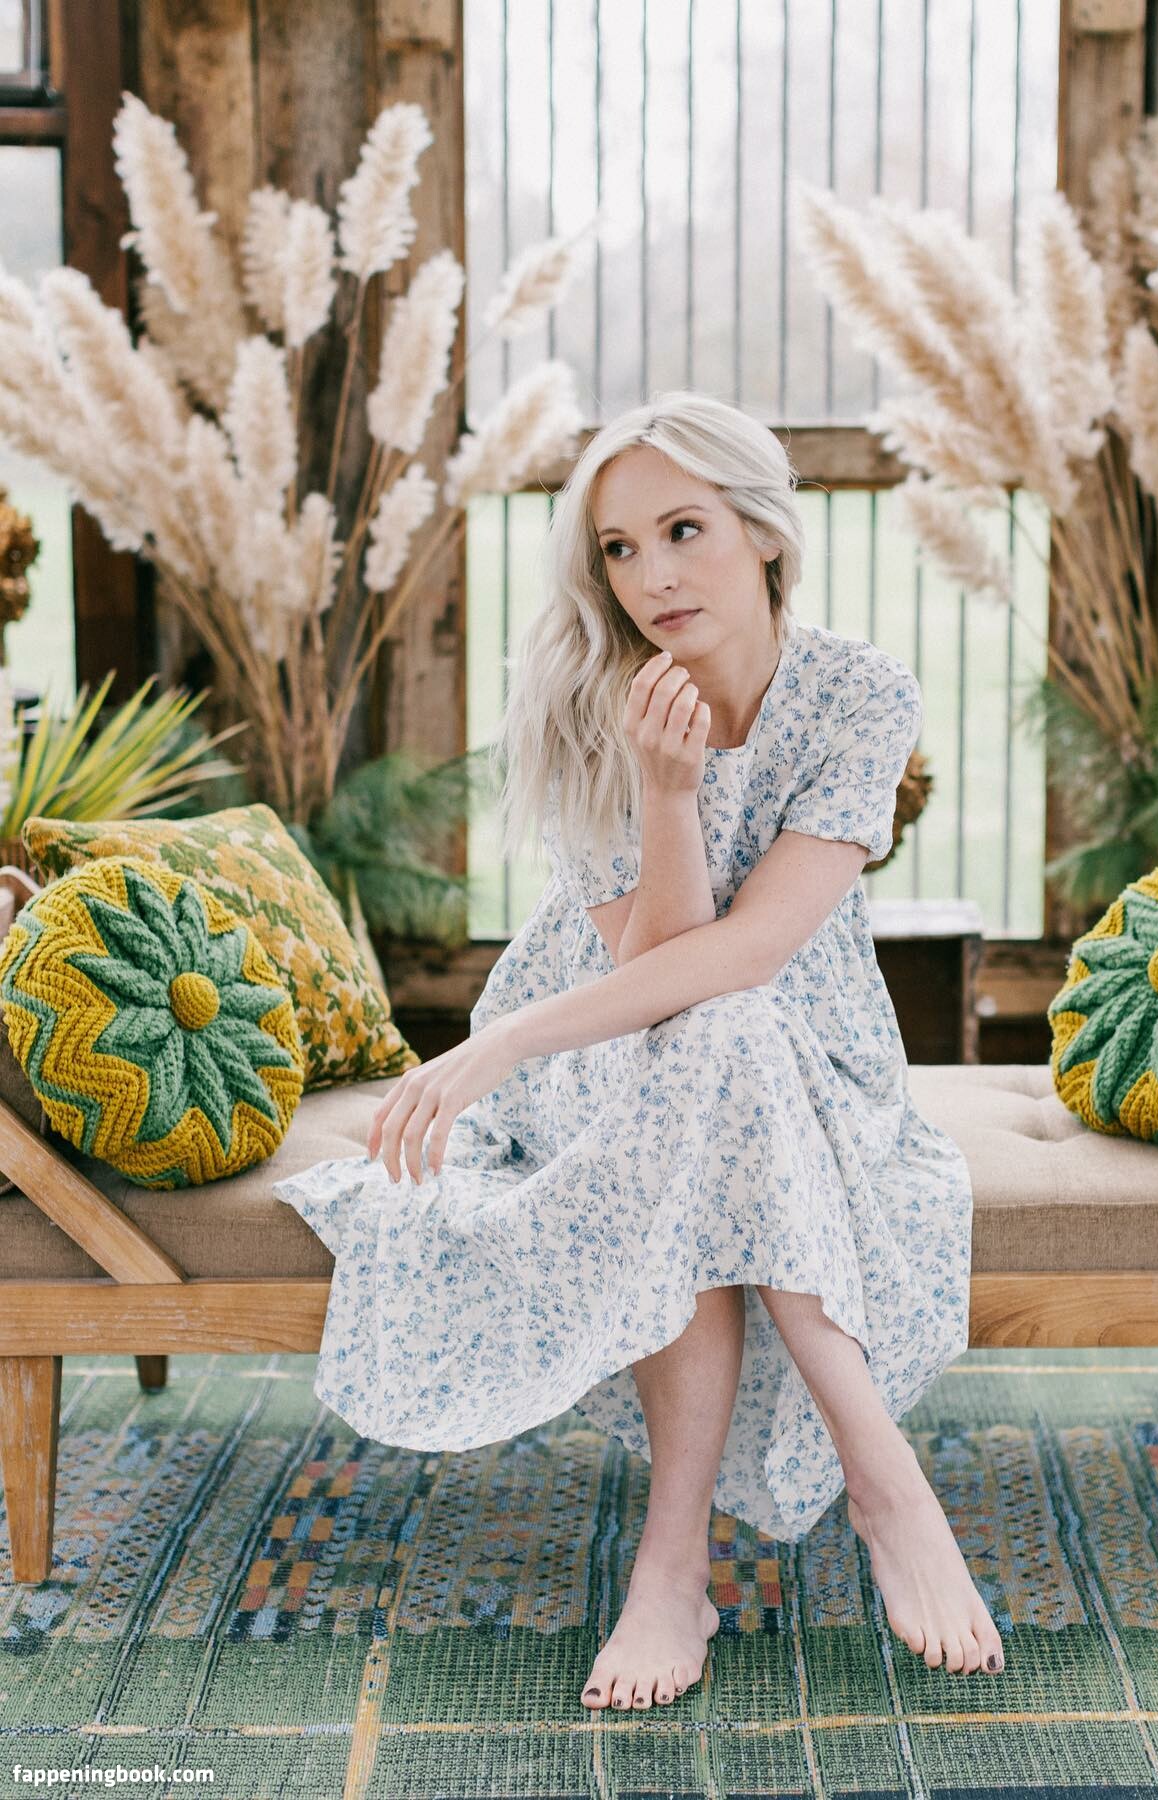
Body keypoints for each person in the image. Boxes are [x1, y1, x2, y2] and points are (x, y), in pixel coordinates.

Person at [272, 389, 1001, 1714]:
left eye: (684, 530)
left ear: (764, 532)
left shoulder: (858, 693)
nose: (652, 575)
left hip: (805, 1048)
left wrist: (492, 1047)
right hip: (609, 1047)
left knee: (732, 1034)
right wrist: (667, 790)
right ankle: (883, 1485)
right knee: (708, 1052)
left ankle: (677, 1570)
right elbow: (654, 979)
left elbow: (752, 952)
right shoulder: (583, 703)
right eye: (619, 547)